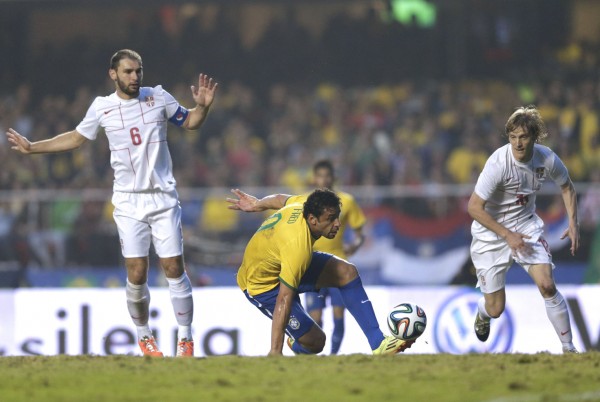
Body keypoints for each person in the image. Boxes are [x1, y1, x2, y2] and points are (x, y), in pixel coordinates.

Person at [6, 49, 218, 357]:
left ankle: (185, 339)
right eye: (128, 71)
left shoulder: (158, 97)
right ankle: (145, 337)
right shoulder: (102, 108)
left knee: (173, 267)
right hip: (128, 202)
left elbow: (191, 122)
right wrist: (33, 148)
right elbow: (76, 138)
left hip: (162, 198)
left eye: (138, 71)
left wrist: (203, 108)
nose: (135, 77)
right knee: (137, 272)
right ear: (113, 74)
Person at [227, 188, 412, 356]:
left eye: (337, 217)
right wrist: (275, 351)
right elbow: (283, 298)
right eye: (331, 219)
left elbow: (278, 198)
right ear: (313, 220)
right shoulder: (297, 247)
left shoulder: (304, 204)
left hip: (281, 261)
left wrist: (257, 203)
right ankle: (296, 340)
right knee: (316, 343)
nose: (338, 224)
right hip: (263, 285)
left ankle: (379, 343)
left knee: (346, 271)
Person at [467, 105, 580, 353]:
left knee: (547, 285)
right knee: (496, 309)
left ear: (534, 138)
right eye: (513, 137)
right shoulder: (498, 163)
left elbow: (567, 186)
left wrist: (573, 223)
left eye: (524, 137)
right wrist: (506, 235)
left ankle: (569, 349)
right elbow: (474, 207)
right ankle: (483, 312)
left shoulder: (546, 158)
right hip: (491, 236)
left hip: (526, 227)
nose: (518, 143)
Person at [289, 160, 366, 354]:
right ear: (314, 178)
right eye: (320, 176)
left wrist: (355, 245)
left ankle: (333, 356)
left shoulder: (346, 201)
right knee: (316, 318)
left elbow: (360, 232)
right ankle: (314, 355)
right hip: (312, 264)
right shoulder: (305, 203)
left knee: (338, 315)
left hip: (338, 265)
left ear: (333, 178)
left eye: (327, 175)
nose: (323, 179)